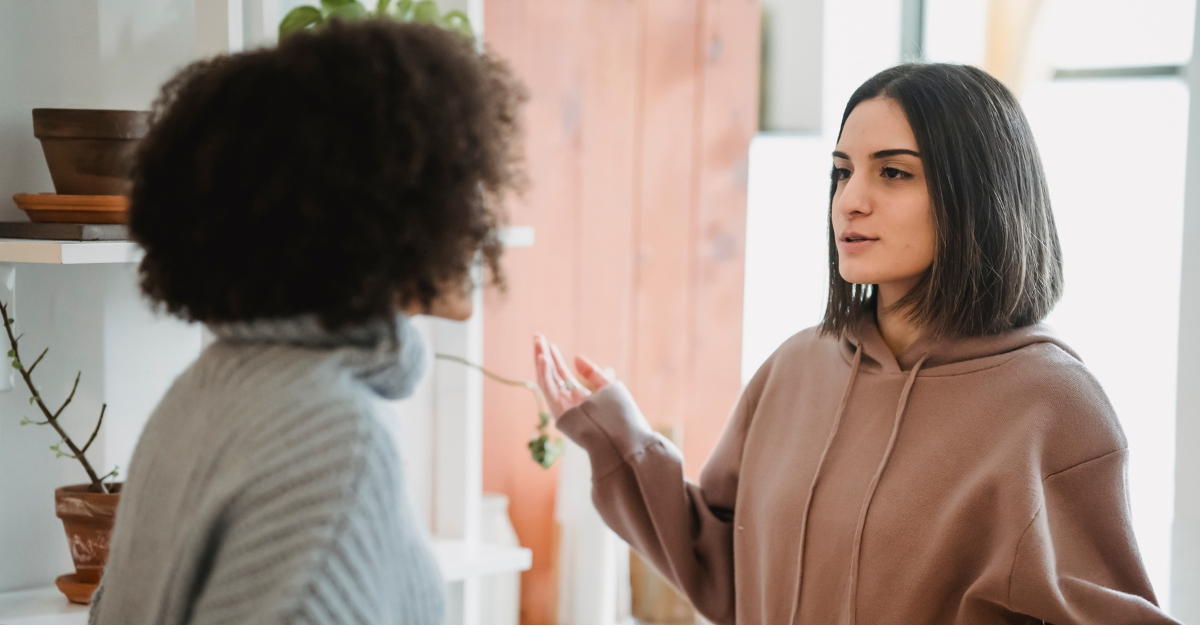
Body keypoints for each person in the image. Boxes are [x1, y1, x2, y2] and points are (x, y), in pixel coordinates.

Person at [534, 63, 1177, 624]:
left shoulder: (1051, 405)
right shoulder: (795, 368)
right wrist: (619, 434)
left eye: (893, 173)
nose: (850, 202)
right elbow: (723, 569)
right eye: (842, 173)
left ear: (977, 196)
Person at [90, 19, 524, 624]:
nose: (476, 214)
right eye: (458, 181)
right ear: (383, 207)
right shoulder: (337, 439)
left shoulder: (203, 390)